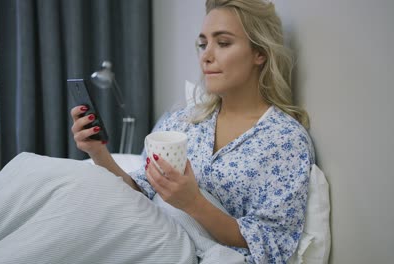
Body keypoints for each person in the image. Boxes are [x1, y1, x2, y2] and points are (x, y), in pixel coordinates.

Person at [70, 0, 314, 263]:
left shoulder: (285, 140)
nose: (206, 56)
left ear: (260, 53)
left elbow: (271, 242)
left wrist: (193, 204)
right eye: (203, 44)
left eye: (223, 43)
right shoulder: (182, 120)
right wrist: (98, 152)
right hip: (146, 238)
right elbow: (142, 191)